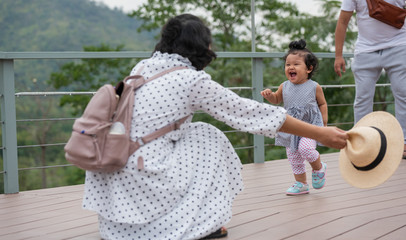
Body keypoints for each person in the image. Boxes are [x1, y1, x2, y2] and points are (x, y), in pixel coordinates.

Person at [82, 14, 348, 240]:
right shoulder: (191, 79)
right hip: (146, 174)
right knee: (207, 136)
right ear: (200, 46)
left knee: (190, 134)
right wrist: (320, 132)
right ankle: (204, 224)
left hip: (116, 174)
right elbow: (249, 113)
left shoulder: (143, 67)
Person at [334, 0, 406, 159]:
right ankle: (362, 142)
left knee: (403, 95)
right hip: (366, 50)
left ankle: (404, 142)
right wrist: (338, 55)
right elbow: (343, 20)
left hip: (399, 46)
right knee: (362, 99)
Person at [261, 39, 328, 196]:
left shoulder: (314, 86)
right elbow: (277, 99)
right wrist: (269, 95)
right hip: (291, 127)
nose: (291, 67)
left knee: (306, 148)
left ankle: (319, 167)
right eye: (287, 65)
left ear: (309, 69)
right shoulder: (284, 86)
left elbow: (322, 104)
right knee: (294, 156)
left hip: (311, 126)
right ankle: (301, 183)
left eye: (296, 64)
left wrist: (323, 122)